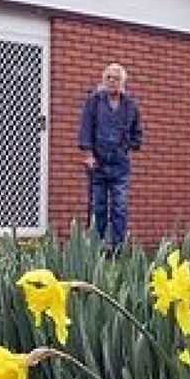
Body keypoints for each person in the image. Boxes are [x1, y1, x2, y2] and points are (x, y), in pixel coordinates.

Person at [78, 63, 143, 251]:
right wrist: (89, 155)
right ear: (103, 79)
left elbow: (137, 132)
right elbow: (86, 128)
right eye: (108, 77)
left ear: (123, 82)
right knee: (98, 207)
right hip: (97, 163)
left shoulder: (130, 105)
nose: (112, 81)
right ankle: (97, 248)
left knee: (120, 207)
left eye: (116, 78)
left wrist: (127, 146)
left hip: (120, 165)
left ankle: (118, 248)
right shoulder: (94, 101)